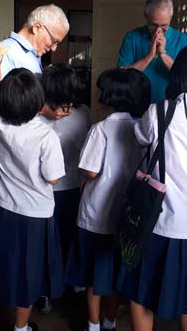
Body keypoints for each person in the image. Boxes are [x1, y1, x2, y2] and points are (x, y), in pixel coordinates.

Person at [117, 43, 187, 331]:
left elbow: (142, 137)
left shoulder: (160, 111)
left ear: (180, 72)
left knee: (141, 294)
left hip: (159, 221)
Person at [0, 45, 66, 331]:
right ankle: (21, 327)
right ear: (39, 103)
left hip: (2, 209)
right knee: (29, 274)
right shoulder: (46, 136)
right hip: (34, 216)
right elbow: (53, 178)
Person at [66, 68, 151, 331]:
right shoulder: (144, 128)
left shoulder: (101, 129)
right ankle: (110, 321)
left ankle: (93, 324)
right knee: (115, 274)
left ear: (112, 96)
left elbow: (90, 171)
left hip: (97, 214)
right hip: (128, 216)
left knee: (94, 276)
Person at [37, 64, 92, 308]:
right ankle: (74, 283)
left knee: (47, 242)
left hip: (45, 189)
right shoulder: (84, 113)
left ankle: (45, 292)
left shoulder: (35, 117)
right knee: (69, 237)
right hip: (74, 187)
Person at [117, 0, 187, 103]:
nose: (158, 31)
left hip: (170, 106)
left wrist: (163, 54)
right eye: (153, 25)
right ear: (146, 16)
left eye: (164, 26)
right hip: (136, 105)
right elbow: (121, 77)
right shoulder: (132, 37)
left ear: (170, 17)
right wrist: (149, 57)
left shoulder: (182, 39)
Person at [0, 4, 70, 91]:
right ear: (37, 28)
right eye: (54, 41)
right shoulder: (5, 52)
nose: (54, 48)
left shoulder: (34, 54)